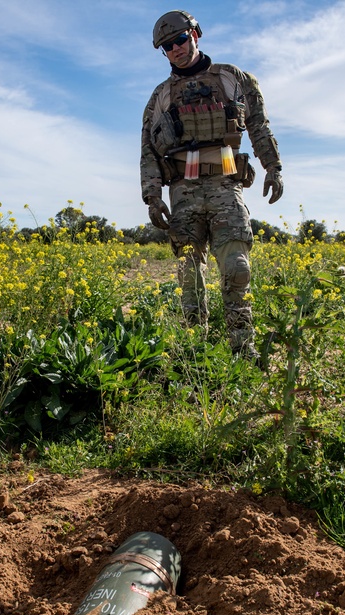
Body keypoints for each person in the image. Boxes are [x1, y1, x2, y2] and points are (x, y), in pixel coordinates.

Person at [140, 10, 283, 360]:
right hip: (183, 193)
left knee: (237, 268)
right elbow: (147, 149)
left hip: (225, 186)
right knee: (189, 273)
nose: (176, 48)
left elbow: (260, 127)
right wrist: (152, 196)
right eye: (168, 46)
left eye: (180, 40)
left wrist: (273, 167)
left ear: (195, 35)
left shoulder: (234, 79)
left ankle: (243, 351)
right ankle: (196, 352)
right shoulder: (160, 96)